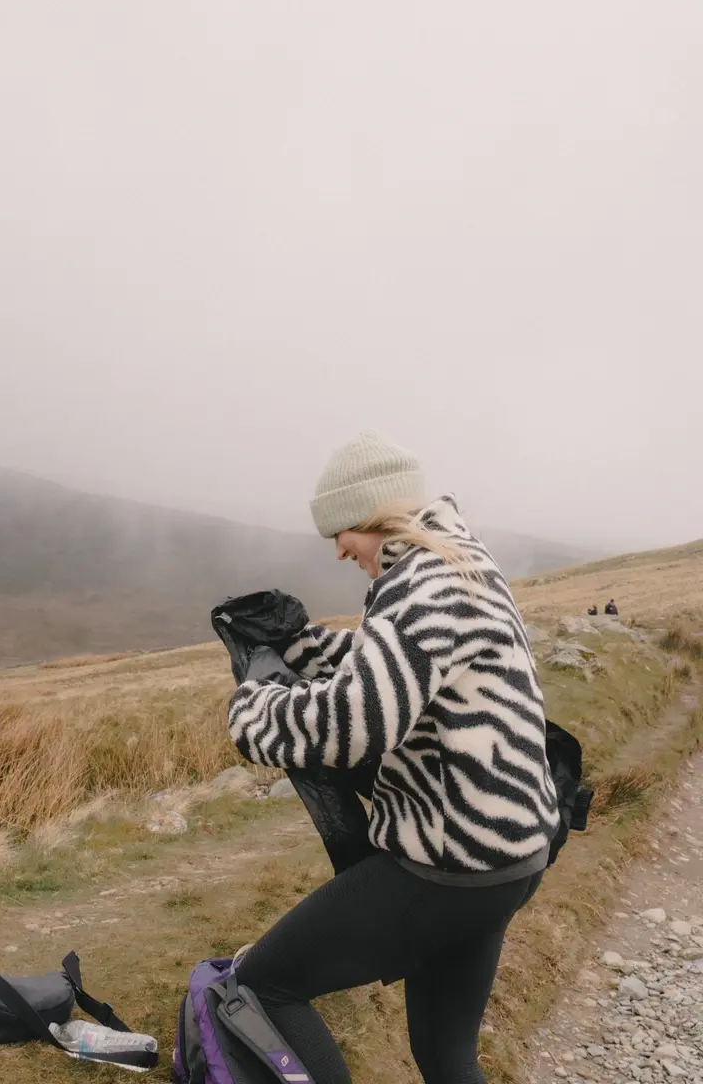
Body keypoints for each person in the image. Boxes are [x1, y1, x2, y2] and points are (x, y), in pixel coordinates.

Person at [228, 431, 560, 1084]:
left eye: (341, 533)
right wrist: (312, 650)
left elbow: (355, 724)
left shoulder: (422, 584)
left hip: (452, 858)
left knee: (265, 987)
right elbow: (409, 669)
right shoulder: (457, 559)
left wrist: (254, 712)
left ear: (369, 515)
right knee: (444, 1054)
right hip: (506, 854)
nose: (340, 551)